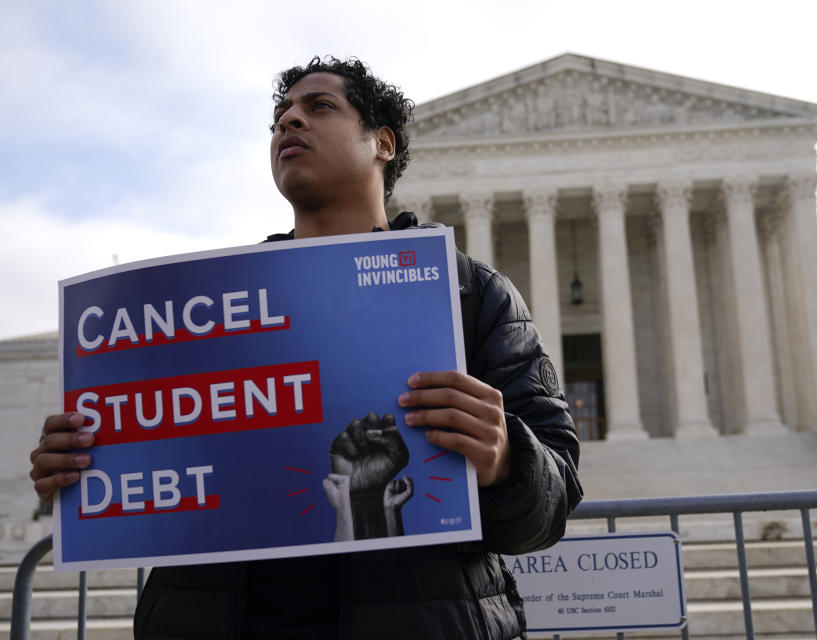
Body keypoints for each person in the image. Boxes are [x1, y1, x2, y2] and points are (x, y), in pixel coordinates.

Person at [29, 56, 582, 639]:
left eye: (319, 107)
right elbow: (164, 459)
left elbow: (552, 503)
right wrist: (85, 462)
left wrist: (505, 460)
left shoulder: (472, 293)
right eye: (279, 117)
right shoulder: (206, 309)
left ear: (382, 144)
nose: (289, 122)